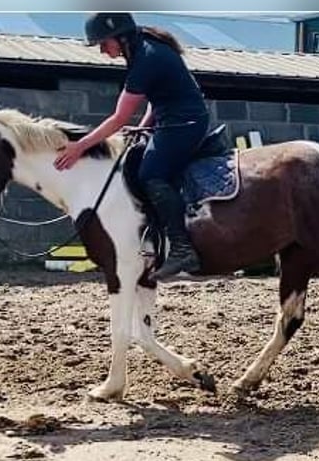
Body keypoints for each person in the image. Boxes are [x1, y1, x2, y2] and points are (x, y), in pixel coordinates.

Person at [54, 12, 210, 281]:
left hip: (184, 124)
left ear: (120, 36)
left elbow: (117, 119)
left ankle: (183, 249)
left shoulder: (146, 58)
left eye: (104, 43)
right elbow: (156, 97)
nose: (103, 50)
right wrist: (145, 125)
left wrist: (80, 146)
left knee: (151, 174)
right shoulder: (144, 50)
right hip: (174, 120)